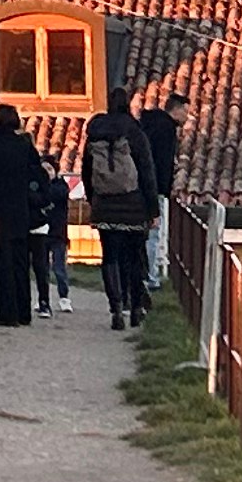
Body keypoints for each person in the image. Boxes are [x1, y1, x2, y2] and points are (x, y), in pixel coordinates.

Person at [82, 79, 157, 328]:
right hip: (133, 204)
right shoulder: (134, 131)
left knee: (110, 257)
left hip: (104, 203)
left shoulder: (95, 131)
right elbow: (147, 171)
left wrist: (93, 198)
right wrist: (152, 209)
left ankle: (116, 309)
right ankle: (135, 308)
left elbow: (87, 170)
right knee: (134, 256)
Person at [0, 100, 42, 324]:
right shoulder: (24, 145)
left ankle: (7, 313)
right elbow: (37, 166)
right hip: (21, 212)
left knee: (3, 264)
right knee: (21, 263)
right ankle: (24, 313)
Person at [140, 84, 183, 298]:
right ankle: (151, 276)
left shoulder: (148, 125)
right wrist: (164, 190)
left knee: (143, 233)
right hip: (155, 189)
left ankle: (142, 273)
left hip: (141, 187)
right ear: (177, 110)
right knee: (153, 234)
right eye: (185, 111)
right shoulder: (166, 130)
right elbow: (163, 163)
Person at [31, 145, 72, 314]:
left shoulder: (60, 187)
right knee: (42, 268)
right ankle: (42, 297)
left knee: (59, 268)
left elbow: (58, 194)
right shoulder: (37, 190)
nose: (46, 172)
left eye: (49, 169)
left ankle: (64, 297)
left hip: (58, 234)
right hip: (42, 233)